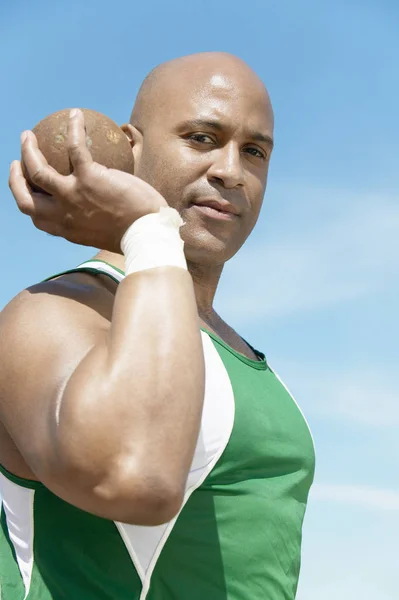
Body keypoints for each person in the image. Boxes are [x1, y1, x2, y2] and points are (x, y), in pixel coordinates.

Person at [1, 52, 315, 599]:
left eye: (255, 151)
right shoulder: (53, 311)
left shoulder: (241, 354)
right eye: (200, 138)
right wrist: (148, 231)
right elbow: (132, 475)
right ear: (130, 148)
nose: (230, 171)